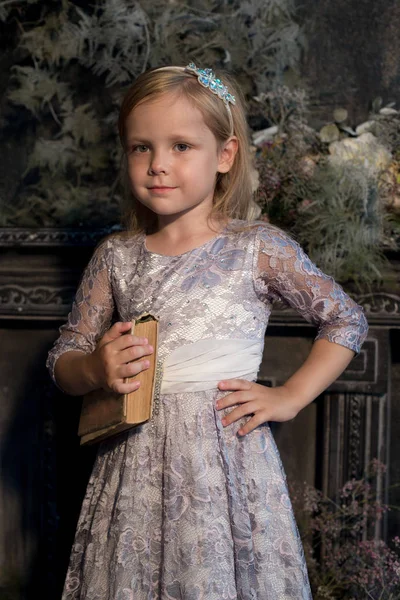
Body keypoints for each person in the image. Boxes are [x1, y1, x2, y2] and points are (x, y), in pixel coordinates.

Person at [47, 62, 368, 600]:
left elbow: (346, 318)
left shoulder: (256, 247)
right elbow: (64, 355)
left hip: (226, 467)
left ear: (225, 155)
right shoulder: (117, 257)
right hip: (135, 466)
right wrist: (93, 367)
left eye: (180, 147)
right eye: (140, 148)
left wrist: (290, 396)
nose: (157, 166)